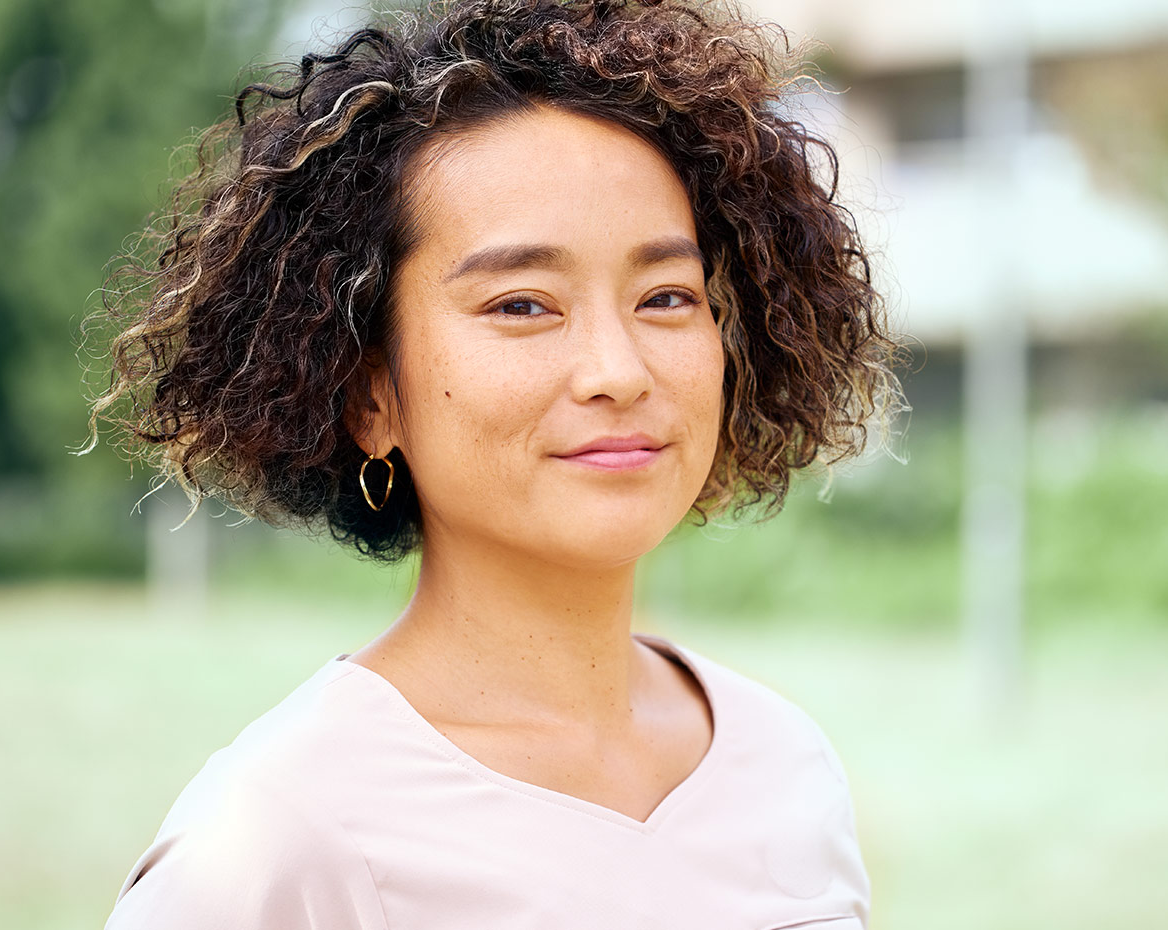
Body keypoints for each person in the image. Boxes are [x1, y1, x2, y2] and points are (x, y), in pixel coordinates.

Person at [85, 0, 901, 926]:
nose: (617, 371)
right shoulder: (280, 836)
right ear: (368, 393)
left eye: (667, 295)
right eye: (522, 305)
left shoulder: (786, 766)